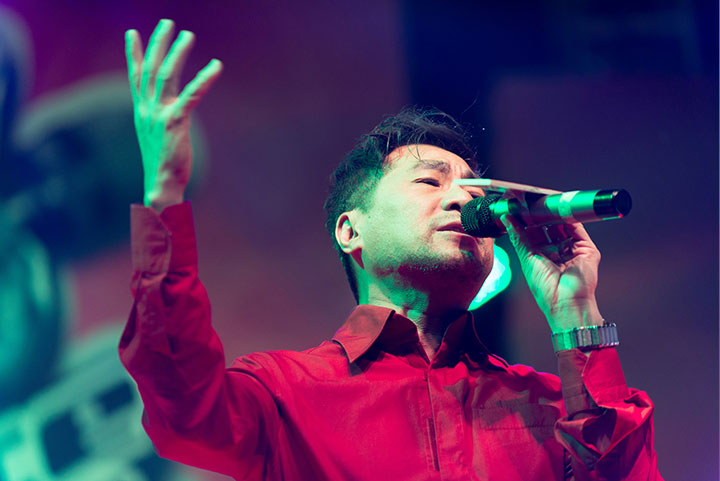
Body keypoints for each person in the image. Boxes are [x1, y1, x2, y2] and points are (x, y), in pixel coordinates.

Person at [120, 19, 662, 480]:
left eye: (474, 191)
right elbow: (183, 408)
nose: (463, 198)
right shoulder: (282, 394)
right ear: (350, 231)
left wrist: (576, 311)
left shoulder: (547, 405)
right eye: (430, 181)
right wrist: (163, 195)